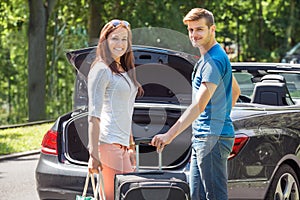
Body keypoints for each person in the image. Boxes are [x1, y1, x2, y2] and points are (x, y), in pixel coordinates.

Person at [151, 8, 240, 200]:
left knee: (214, 196)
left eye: (199, 29)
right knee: (197, 195)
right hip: (205, 136)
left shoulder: (213, 61)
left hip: (210, 138)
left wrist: (169, 135)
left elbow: (199, 106)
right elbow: (235, 91)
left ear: (212, 29)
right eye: (190, 30)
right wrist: (220, 117)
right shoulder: (213, 56)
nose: (194, 35)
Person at [87, 19, 143, 200]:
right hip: (108, 145)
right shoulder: (101, 69)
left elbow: (126, 111)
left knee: (127, 196)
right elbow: (93, 116)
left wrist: (131, 146)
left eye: (124, 39)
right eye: (115, 39)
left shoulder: (122, 69)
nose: (120, 44)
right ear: (105, 40)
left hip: (123, 147)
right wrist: (93, 154)